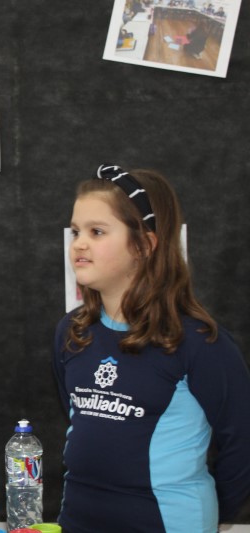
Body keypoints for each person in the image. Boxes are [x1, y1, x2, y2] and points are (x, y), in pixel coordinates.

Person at [54, 164, 250, 532]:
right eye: (76, 231)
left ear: (144, 245)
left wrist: (214, 516)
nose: (78, 243)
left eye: (97, 232)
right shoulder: (71, 331)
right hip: (79, 518)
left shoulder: (198, 342)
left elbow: (242, 443)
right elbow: (79, 420)